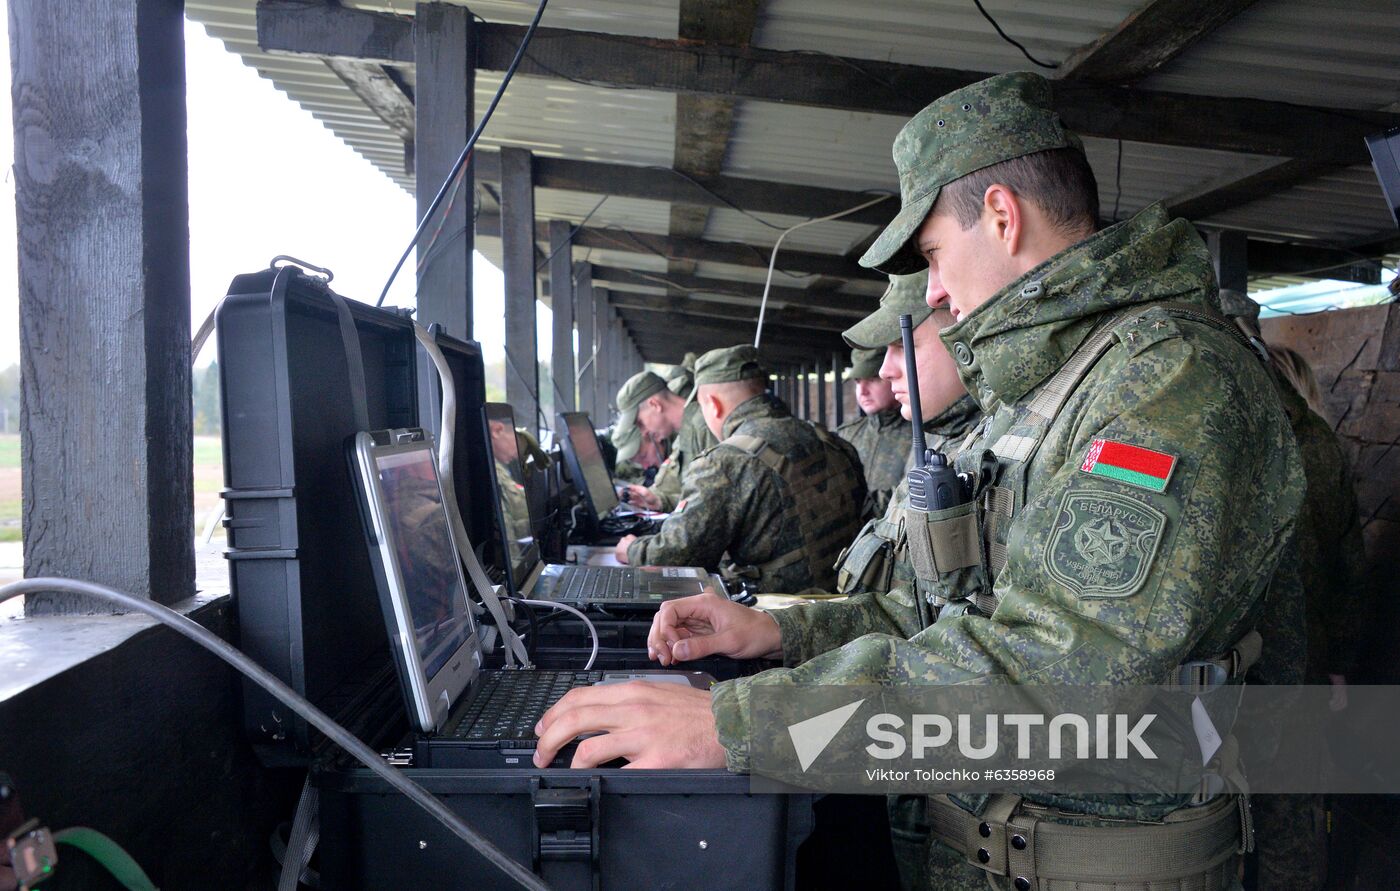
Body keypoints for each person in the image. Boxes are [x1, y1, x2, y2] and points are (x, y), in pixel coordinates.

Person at [533, 72, 1303, 891]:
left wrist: (742, 725)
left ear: (1002, 217)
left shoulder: (1165, 383)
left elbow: (1055, 674)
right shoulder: (1053, 390)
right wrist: (782, 637)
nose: (931, 291)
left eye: (932, 253)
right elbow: (953, 611)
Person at [1218, 288, 1370, 890]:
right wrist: (1340, 666)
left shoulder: (1214, 424)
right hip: (1297, 673)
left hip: (1232, 682)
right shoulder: (1316, 438)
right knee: (1292, 829)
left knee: (1237, 829)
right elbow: (1348, 568)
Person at [614, 344, 866, 595]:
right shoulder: (829, 439)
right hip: (846, 600)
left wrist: (634, 550)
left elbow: (678, 558)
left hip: (778, 615)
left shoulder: (725, 462)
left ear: (712, 405)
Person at [612, 369, 717, 512]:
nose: (644, 432)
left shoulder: (705, 428)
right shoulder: (685, 434)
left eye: (640, 423)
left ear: (655, 404)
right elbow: (699, 499)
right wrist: (658, 501)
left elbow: (713, 506)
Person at [837, 344, 909, 518]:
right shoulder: (845, 435)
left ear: (891, 376)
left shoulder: (924, 436)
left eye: (873, 379)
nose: (862, 391)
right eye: (857, 381)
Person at [487, 415, 532, 548]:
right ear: (497, 430)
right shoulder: (492, 474)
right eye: (518, 440)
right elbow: (510, 545)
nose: (519, 452)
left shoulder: (500, 468)